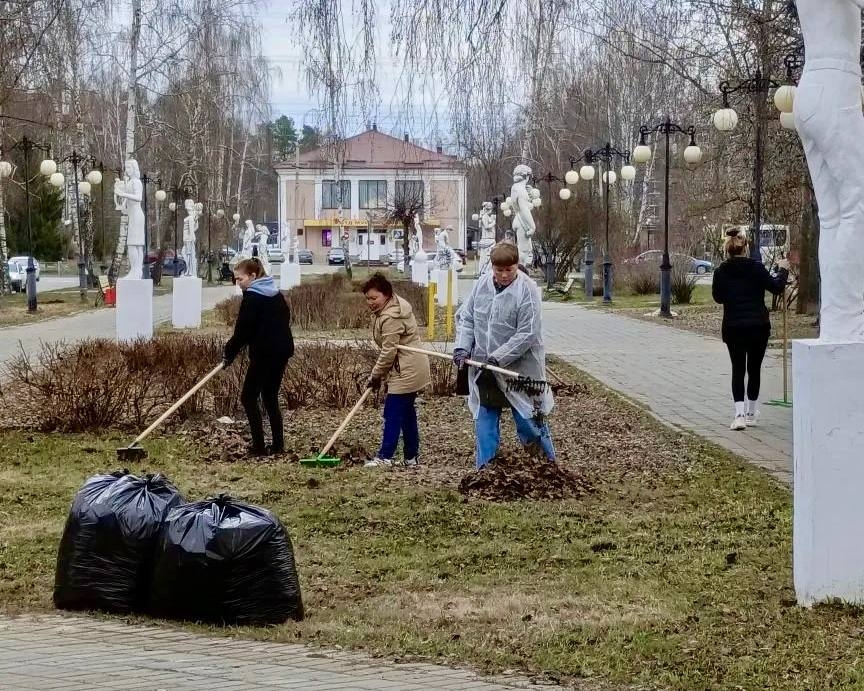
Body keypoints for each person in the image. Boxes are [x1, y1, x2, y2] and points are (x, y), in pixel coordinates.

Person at [453, 242, 554, 468]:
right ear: (492, 267)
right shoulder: (481, 285)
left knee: (529, 421)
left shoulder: (526, 291)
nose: (504, 275)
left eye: (509, 269)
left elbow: (527, 333)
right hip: (484, 369)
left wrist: (498, 358)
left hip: (520, 371)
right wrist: (462, 347)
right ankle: (485, 470)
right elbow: (467, 318)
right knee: (485, 421)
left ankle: (547, 468)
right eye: (499, 270)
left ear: (517, 265)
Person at [712, 230, 789, 431]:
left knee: (738, 369)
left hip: (734, 326)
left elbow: (718, 298)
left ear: (727, 249)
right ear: (746, 248)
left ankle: (738, 416)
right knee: (754, 369)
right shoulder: (756, 268)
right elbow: (776, 287)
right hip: (757, 326)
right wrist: (783, 269)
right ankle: (751, 413)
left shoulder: (720, 272)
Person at [223, 257, 294, 456]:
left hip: (265, 354)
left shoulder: (252, 297)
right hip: (282, 351)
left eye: (240, 279)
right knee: (270, 396)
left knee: (248, 397)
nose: (238, 284)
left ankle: (259, 447)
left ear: (253, 276)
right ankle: (278, 445)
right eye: (235, 280)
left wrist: (228, 353)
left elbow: (243, 330)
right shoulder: (275, 293)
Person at [362, 272, 431, 468]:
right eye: (367, 298)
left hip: (407, 370)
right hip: (406, 367)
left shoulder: (392, 316)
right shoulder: (389, 308)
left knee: (392, 412)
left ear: (386, 294)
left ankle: (385, 456)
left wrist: (375, 375)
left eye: (374, 298)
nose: (370, 302)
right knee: (407, 413)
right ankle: (411, 457)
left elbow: (388, 351)